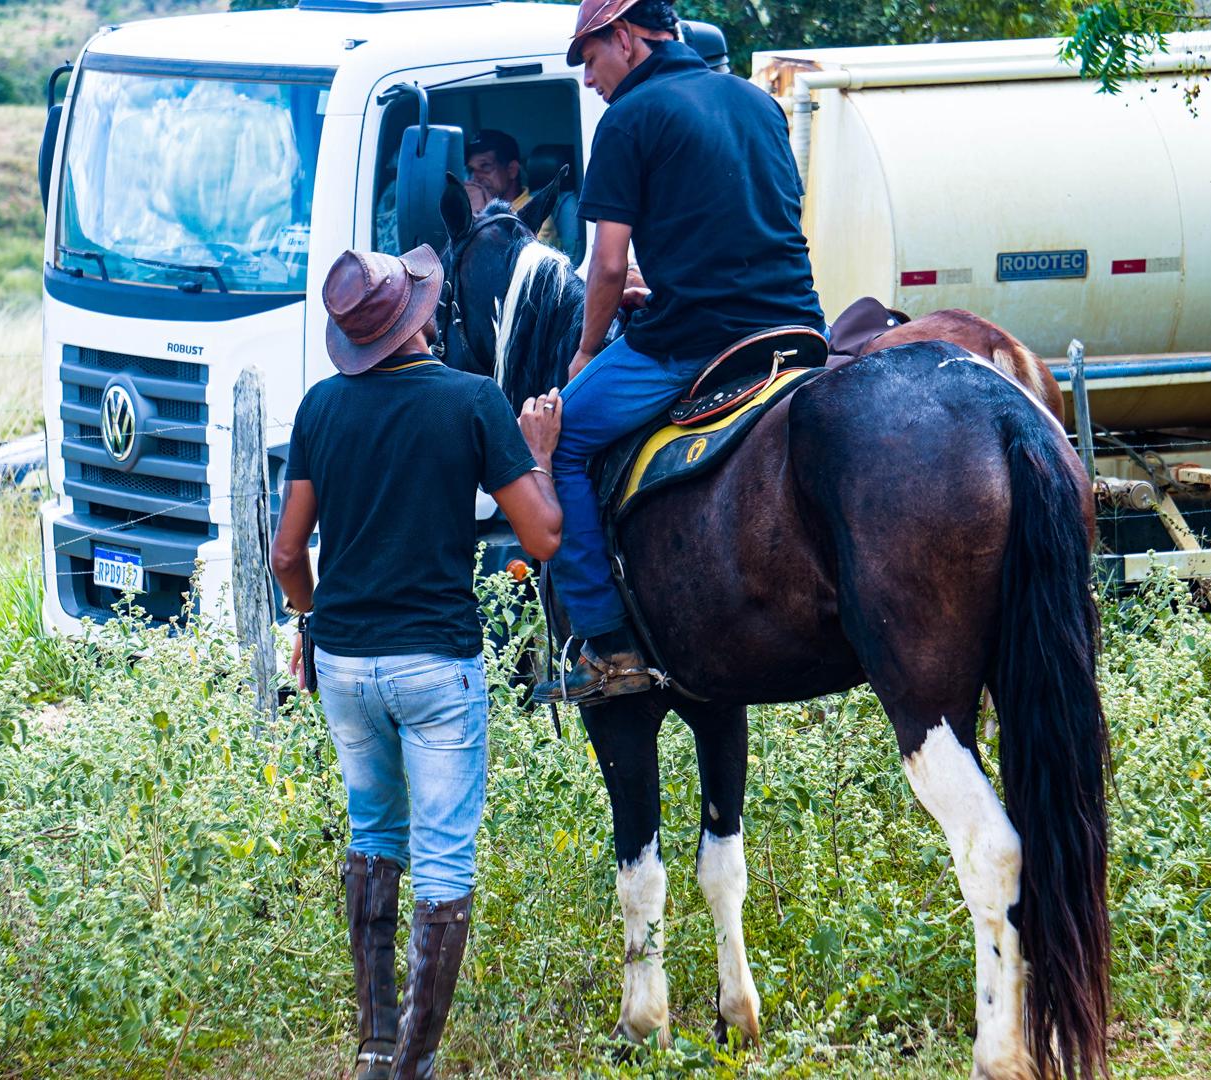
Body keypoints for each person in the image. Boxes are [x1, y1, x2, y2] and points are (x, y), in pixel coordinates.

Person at [271, 244, 563, 1080]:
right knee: (443, 860)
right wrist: (538, 450)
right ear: (420, 316)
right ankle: (413, 1065)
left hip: (344, 665)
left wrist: (311, 619)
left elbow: (288, 555)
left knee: (372, 838)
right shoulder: (471, 400)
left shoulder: (321, 407)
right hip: (436, 666)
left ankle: (374, 1044)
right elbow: (542, 535)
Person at [530, 0, 825, 704]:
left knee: (561, 437)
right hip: (797, 328)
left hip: (697, 341)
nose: (589, 79)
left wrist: (586, 350)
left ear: (625, 37)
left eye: (590, 59)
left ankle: (607, 648)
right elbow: (752, 224)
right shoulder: (758, 103)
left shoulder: (628, 119)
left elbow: (606, 265)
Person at [464, 128, 582, 258]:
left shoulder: (535, 215)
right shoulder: (473, 206)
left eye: (485, 167)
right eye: (471, 170)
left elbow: (509, 264)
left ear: (512, 170)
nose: (475, 177)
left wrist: (482, 215)